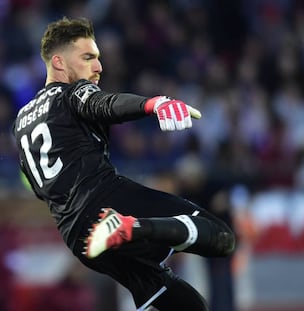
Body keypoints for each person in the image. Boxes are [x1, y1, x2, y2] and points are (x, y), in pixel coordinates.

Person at [13, 17, 235, 310]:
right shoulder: (70, 93)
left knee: (189, 305)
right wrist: (153, 104)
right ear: (58, 62)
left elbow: (39, 189)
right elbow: (102, 104)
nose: (98, 67)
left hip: (78, 236)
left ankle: (129, 228)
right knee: (221, 236)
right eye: (88, 57)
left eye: (98, 58)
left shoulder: (20, 122)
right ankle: (133, 226)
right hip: (106, 203)